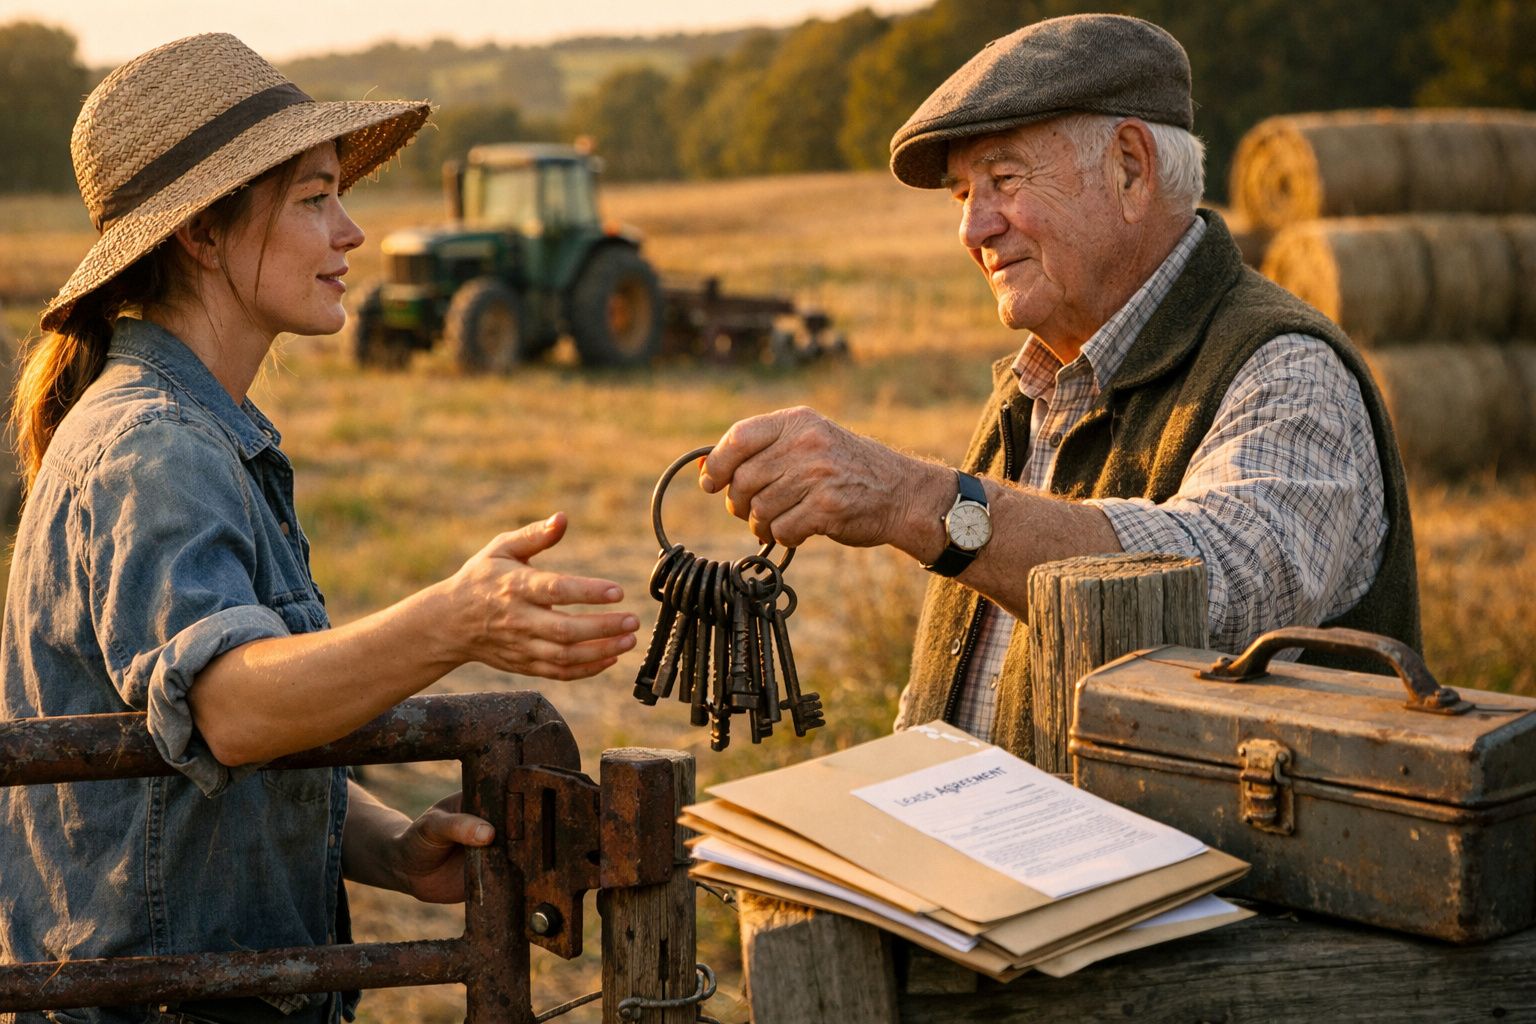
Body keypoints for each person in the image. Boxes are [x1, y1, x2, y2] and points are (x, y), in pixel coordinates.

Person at [0, 34, 637, 1024]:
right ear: (203, 234)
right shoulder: (152, 446)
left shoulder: (199, 429)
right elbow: (231, 709)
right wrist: (453, 620)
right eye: (312, 198)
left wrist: (386, 846)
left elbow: (206, 767)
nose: (352, 233)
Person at [699, 14, 1420, 758]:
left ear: (1131, 168)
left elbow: (1225, 589)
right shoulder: (1029, 393)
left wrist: (912, 499)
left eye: (1005, 180)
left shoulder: (1286, 369)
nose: (973, 229)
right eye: (960, 196)